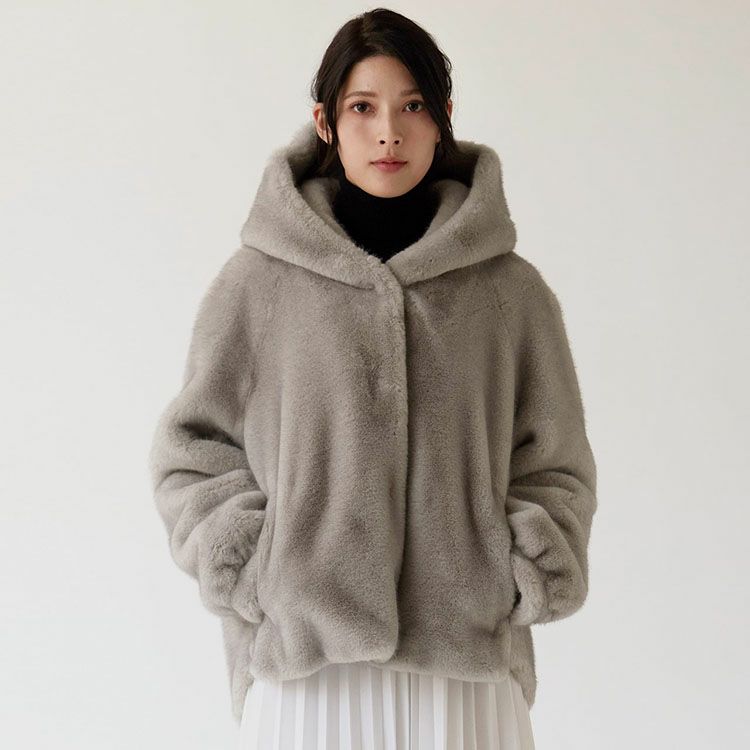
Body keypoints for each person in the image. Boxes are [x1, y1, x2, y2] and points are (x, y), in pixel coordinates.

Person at [148, 8, 597, 750]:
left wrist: (518, 568)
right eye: (363, 107)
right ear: (325, 121)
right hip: (304, 669)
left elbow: (555, 461)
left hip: (466, 667)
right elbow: (190, 450)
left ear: (442, 119)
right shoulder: (258, 284)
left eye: (411, 106)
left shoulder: (509, 292)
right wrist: (258, 568)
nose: (388, 132)